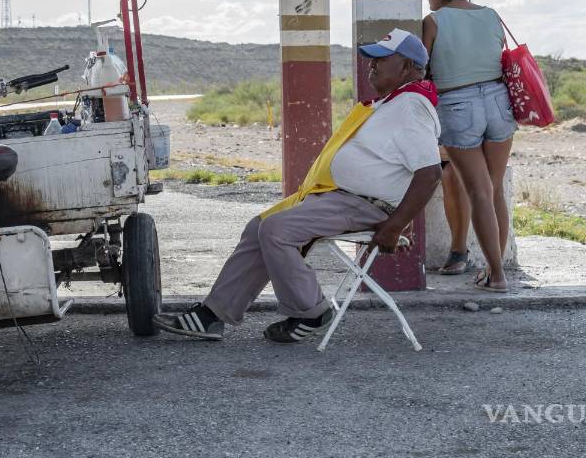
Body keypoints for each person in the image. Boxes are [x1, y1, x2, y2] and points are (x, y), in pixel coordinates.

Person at [154, 30, 443, 343]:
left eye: (381, 59)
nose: (371, 66)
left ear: (408, 67)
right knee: (259, 227)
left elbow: (429, 174)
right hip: (341, 198)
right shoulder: (394, 102)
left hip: (363, 205)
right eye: (371, 60)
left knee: (277, 230)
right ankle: (212, 315)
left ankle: (311, 311)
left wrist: (396, 225)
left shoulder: (412, 106)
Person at [422, 0, 515, 292]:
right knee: (495, 191)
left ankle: (497, 276)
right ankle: (495, 269)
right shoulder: (491, 16)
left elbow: (421, 70)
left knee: (477, 191)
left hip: (458, 105)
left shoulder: (433, 22)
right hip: (498, 102)